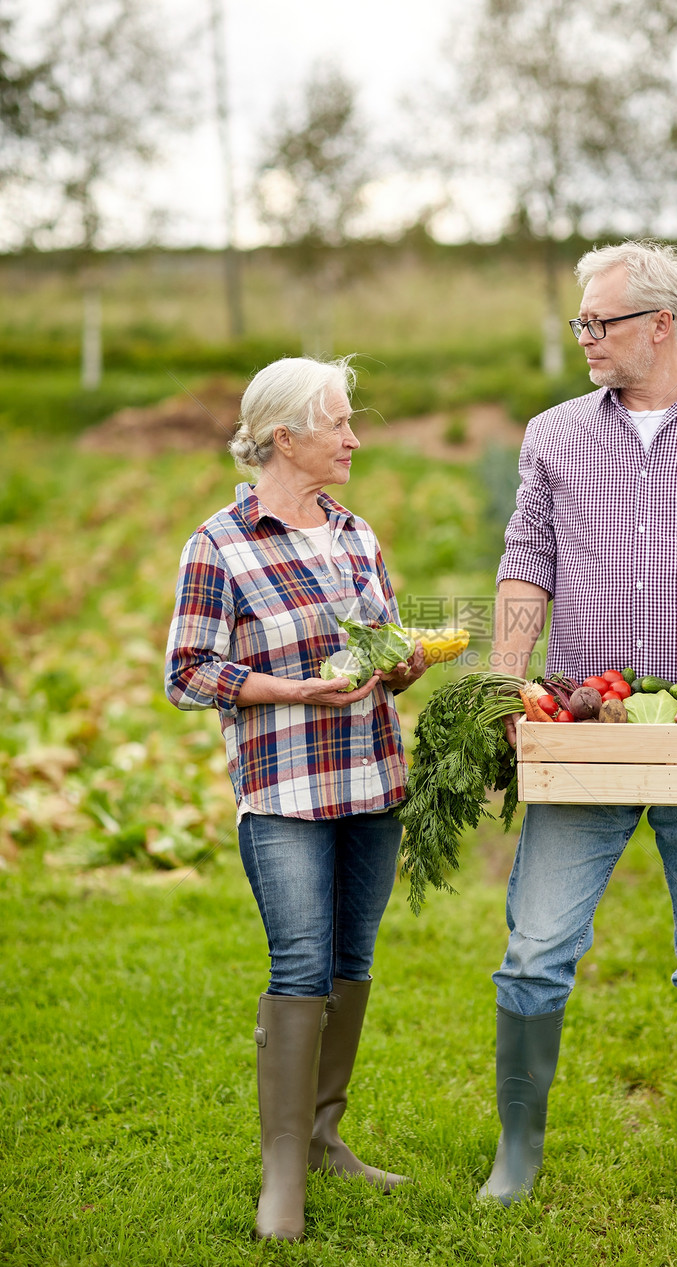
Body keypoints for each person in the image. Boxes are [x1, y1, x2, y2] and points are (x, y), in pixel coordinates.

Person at [480, 241, 677, 1207]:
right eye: (581, 321)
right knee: (535, 946)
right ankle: (517, 1154)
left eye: (599, 322)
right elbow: (525, 559)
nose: (584, 336)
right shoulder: (555, 434)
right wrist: (505, 678)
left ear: (660, 324)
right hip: (587, 731)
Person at [164, 356, 425, 1243]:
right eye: (341, 423)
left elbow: (381, 641)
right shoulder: (220, 544)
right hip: (283, 786)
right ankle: (283, 1177)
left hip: (373, 778)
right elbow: (188, 672)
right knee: (300, 961)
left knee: (353, 955)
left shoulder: (356, 535)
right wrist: (290, 689)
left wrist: (407, 660)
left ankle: (322, 1137)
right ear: (287, 438)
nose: (354, 437)